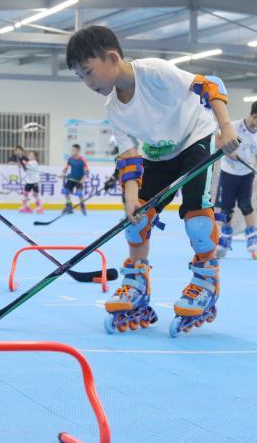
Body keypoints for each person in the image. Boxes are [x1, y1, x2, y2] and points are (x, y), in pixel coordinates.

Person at [66, 25, 239, 336]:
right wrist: (132, 199)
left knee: (197, 218)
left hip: (195, 140)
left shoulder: (154, 72)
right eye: (80, 77)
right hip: (158, 155)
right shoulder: (113, 108)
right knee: (136, 218)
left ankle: (206, 280)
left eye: (88, 72)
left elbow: (210, 85)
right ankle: (136, 283)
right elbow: (130, 159)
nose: (86, 82)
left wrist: (225, 127)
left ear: (112, 57)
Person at [215, 99, 257, 260]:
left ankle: (253, 241)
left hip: (247, 175)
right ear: (255, 116)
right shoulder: (233, 127)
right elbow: (217, 139)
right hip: (228, 174)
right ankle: (225, 239)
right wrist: (228, 152)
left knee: (246, 205)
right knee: (226, 209)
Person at [61, 144, 90, 215]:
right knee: (65, 191)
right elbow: (66, 168)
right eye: (71, 150)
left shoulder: (82, 160)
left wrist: (84, 178)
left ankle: (82, 206)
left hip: (79, 180)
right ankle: (69, 206)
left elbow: (87, 171)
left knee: (79, 193)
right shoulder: (70, 159)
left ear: (78, 151)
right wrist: (63, 173)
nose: (71, 152)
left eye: (73, 150)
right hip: (71, 179)